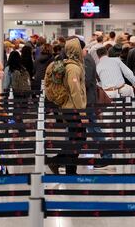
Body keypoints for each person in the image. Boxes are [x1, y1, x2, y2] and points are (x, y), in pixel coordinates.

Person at [48, 38, 87, 175]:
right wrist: (82, 112)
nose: (85, 51)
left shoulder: (72, 65)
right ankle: (58, 161)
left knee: (75, 139)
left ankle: (68, 167)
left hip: (70, 108)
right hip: (72, 109)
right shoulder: (73, 68)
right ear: (77, 50)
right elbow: (75, 91)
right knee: (79, 139)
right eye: (83, 48)